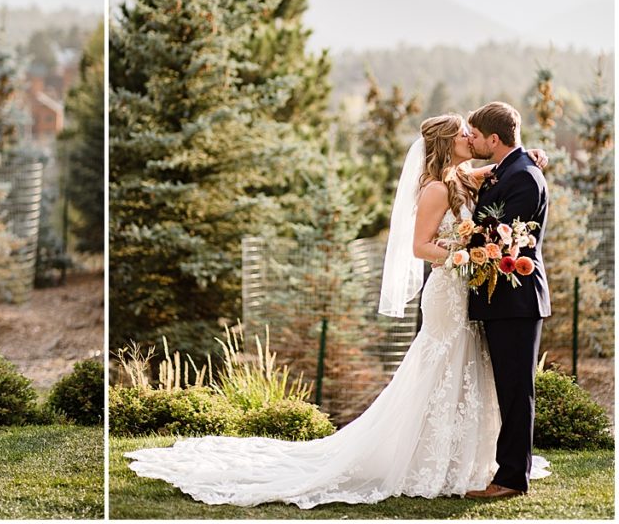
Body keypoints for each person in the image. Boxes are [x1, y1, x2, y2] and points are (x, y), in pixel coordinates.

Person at [125, 113, 549, 509]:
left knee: (466, 370)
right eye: (461, 133)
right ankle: (426, 457)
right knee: (440, 367)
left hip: (467, 292)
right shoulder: (436, 188)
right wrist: (460, 253)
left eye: (471, 132)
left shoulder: (458, 177)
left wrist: (530, 155)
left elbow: (504, 170)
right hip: (448, 288)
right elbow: (420, 246)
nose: (468, 138)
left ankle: (464, 458)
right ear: (445, 142)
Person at [464, 101, 551, 500]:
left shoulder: (525, 177)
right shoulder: (510, 169)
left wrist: (462, 241)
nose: (472, 141)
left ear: (494, 139)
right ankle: (507, 468)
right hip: (501, 303)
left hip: (517, 302)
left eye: (476, 136)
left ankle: (513, 478)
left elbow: (501, 238)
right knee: (507, 389)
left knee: (517, 391)